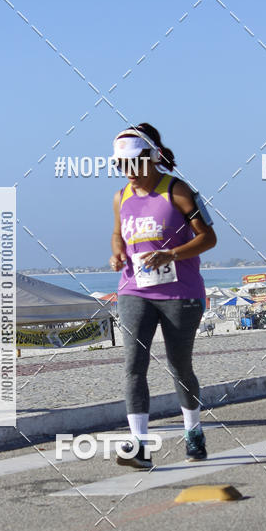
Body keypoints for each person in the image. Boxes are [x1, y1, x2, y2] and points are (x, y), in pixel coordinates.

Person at [110, 123, 217, 469]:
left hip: (179, 294)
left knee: (179, 366)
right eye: (120, 166)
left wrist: (172, 254)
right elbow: (118, 234)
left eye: (133, 164)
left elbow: (209, 238)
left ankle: (193, 431)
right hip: (133, 290)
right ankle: (139, 446)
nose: (128, 173)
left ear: (152, 158)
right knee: (133, 366)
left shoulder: (178, 191)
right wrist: (117, 253)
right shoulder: (121, 197)